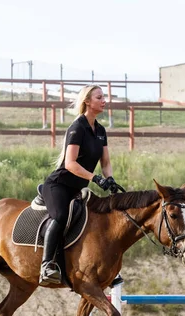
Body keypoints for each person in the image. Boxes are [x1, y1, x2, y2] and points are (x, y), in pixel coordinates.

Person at [38, 85, 118, 286]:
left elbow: (105, 163)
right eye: (100, 97)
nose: (104, 100)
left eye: (104, 97)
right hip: (59, 185)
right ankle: (47, 264)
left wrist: (110, 180)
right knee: (61, 216)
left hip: (78, 188)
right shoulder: (77, 127)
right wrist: (95, 178)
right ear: (88, 102)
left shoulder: (100, 130)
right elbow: (70, 164)